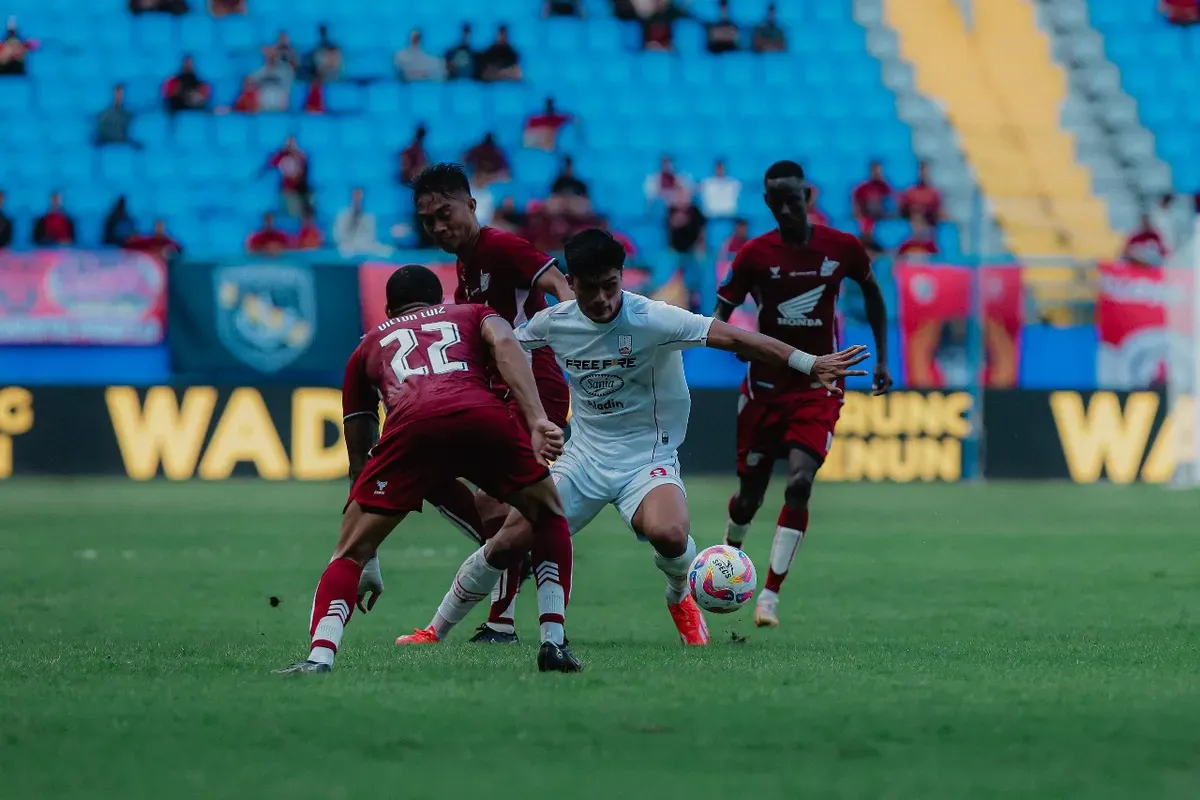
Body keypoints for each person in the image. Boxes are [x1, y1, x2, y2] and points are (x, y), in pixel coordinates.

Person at [400, 229, 870, 647]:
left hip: (647, 458)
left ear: (621, 277)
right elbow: (499, 347)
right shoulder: (554, 322)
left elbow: (733, 337)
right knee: (508, 542)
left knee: (668, 533)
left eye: (612, 285)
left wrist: (809, 362)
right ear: (572, 284)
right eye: (591, 289)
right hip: (581, 457)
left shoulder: (653, 318)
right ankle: (434, 630)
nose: (604, 299)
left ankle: (679, 594)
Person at [275, 265, 580, 674]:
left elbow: (359, 453)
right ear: (440, 301)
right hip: (480, 417)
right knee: (549, 515)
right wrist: (538, 417)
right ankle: (553, 643)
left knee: (348, 553)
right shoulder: (471, 313)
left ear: (388, 308)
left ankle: (319, 657)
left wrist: (369, 557)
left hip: (411, 429)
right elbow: (506, 343)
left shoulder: (368, 345)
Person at [715, 160, 892, 627]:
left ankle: (769, 596)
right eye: (778, 202)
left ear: (807, 196)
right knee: (749, 497)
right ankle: (727, 558)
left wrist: (884, 359)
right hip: (765, 388)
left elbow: (874, 296)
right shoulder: (755, 254)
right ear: (769, 204)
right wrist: (729, 337)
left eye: (795, 199)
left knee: (799, 482)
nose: (788, 209)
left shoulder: (842, 248)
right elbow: (720, 312)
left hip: (820, 385)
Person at [404, 162, 574, 644]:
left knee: (516, 504)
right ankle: (508, 609)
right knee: (497, 508)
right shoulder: (466, 261)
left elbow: (557, 284)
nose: (438, 226)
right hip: (500, 389)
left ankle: (506, 621)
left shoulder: (500, 246)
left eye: (445, 213)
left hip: (534, 387)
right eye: (428, 221)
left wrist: (574, 336)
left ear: (472, 205)